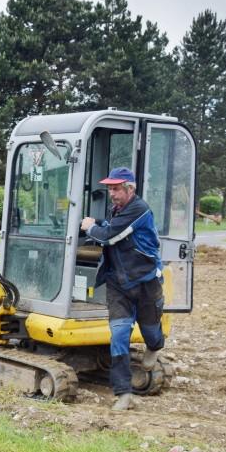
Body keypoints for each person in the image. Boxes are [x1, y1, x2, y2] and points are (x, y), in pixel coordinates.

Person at [80, 166, 165, 412]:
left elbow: (109, 236)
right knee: (118, 337)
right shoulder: (117, 209)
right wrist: (96, 223)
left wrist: (89, 227)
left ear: (130, 188)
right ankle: (123, 393)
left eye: (116, 189)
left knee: (151, 332)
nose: (112, 194)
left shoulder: (139, 209)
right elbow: (110, 225)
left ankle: (155, 346)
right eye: (110, 189)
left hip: (146, 282)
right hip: (119, 285)